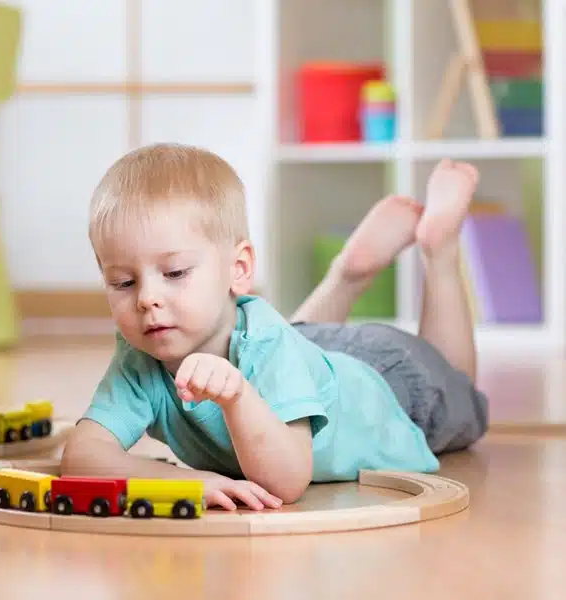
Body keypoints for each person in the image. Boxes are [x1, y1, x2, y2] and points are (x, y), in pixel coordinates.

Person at [60, 144, 489, 511]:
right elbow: (82, 456)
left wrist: (236, 396)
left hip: (389, 385)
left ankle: (440, 249)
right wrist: (184, 483)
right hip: (310, 348)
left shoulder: (265, 343)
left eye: (174, 272)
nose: (146, 298)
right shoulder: (142, 357)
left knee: (461, 391)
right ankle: (348, 274)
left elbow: (286, 481)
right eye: (123, 282)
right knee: (293, 338)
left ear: (239, 268)